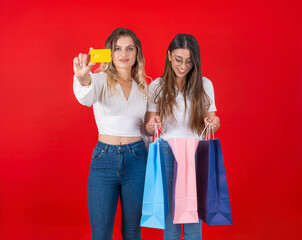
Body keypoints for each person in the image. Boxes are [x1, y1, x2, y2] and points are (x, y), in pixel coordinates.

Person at [73, 27, 148, 240]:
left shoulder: (143, 87)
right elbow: (86, 96)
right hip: (104, 159)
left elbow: (147, 131)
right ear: (110, 53)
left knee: (133, 232)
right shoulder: (99, 79)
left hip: (137, 160)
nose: (123, 54)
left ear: (136, 54)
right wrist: (82, 77)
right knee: (101, 233)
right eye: (117, 49)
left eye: (129, 49)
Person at [145, 33, 220, 240]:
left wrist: (213, 122)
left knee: (193, 216)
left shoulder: (204, 84)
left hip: (196, 152)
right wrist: (153, 124)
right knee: (171, 217)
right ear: (169, 56)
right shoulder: (157, 87)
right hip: (169, 152)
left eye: (189, 61)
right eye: (178, 59)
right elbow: (150, 127)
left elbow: (214, 119)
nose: (183, 66)